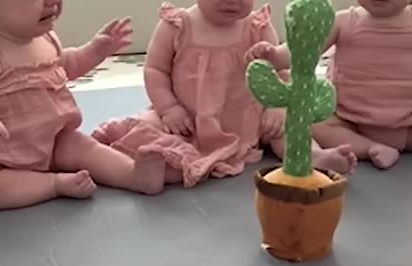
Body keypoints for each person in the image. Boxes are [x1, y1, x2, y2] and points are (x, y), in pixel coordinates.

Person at [92, 0, 357, 192]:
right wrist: (169, 108)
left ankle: (314, 156)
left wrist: (277, 109)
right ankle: (152, 169)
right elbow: (155, 70)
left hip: (250, 119)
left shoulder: (257, 27)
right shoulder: (177, 25)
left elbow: (280, 69)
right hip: (187, 120)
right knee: (150, 131)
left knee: (287, 129)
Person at [0, 0, 167, 210]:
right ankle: (52, 185)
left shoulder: (46, 40)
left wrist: (94, 50)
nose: (52, 2)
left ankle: (133, 175)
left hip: (54, 141)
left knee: (85, 148)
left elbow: (67, 65)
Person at [246, 0, 412, 169]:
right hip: (351, 122)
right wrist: (273, 55)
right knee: (306, 122)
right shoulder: (343, 21)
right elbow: (302, 50)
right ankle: (369, 148)